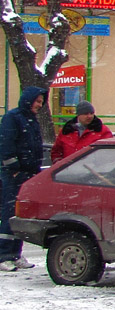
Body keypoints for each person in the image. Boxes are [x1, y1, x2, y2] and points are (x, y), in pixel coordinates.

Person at [0, 87, 48, 271]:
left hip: (28, 174)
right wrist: (14, 169)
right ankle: (4, 254)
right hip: (16, 175)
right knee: (10, 212)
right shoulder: (13, 118)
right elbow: (6, 144)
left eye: (41, 102)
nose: (39, 105)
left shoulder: (31, 120)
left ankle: (15, 253)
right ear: (29, 100)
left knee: (21, 214)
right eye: (37, 101)